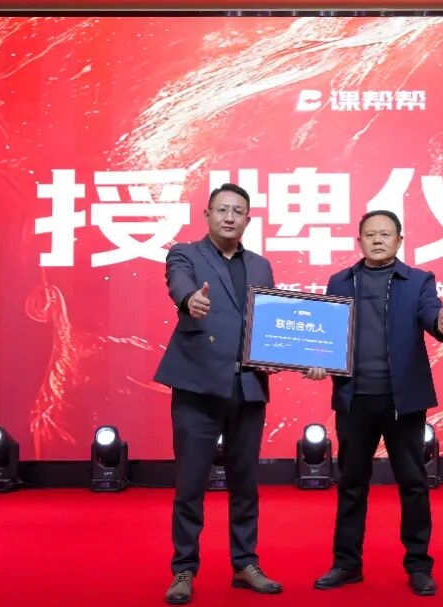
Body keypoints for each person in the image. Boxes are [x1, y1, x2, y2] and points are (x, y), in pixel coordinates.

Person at [304, 209, 443, 597]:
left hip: (402, 400)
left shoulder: (419, 280)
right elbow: (326, 334)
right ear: (359, 241)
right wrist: (317, 360)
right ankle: (347, 564)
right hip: (353, 398)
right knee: (351, 483)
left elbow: (431, 315)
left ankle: (419, 565)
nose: (377, 240)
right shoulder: (340, 281)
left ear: (399, 241)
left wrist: (442, 323)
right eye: (370, 234)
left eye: (385, 234)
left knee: (413, 482)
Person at [154, 183, 283, 605]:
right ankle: (183, 569)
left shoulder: (261, 266)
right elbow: (179, 283)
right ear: (207, 214)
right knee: (190, 484)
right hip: (198, 385)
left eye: (238, 211)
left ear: (248, 219)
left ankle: (245, 564)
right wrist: (189, 299)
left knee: (246, 484)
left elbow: (270, 323)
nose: (229, 217)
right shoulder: (185, 254)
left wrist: (278, 355)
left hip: (247, 386)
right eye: (222, 209)